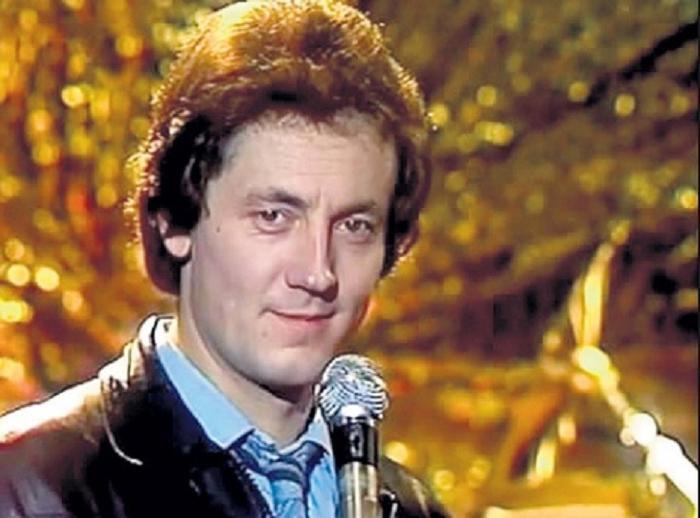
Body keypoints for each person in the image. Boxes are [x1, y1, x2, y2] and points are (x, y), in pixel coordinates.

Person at [0, 1, 447, 516]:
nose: (318, 272)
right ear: (174, 221)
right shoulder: (29, 488)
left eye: (354, 226)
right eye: (274, 217)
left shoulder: (411, 508)